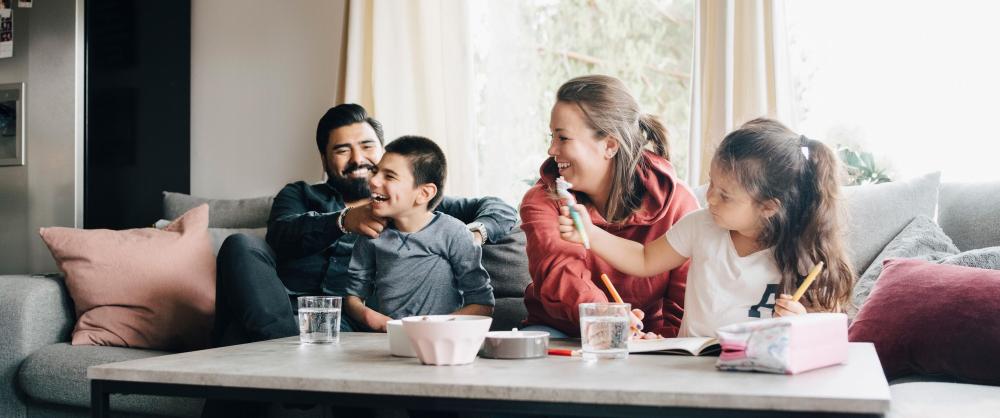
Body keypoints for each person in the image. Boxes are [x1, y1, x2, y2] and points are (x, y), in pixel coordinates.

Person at [211, 104, 517, 346]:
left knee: (238, 336)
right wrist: (342, 221)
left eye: (368, 146)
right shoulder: (300, 194)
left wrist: (475, 232)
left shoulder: (410, 201)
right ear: (325, 158)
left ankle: (280, 359)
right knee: (240, 245)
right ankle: (284, 351)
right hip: (283, 308)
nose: (358, 158)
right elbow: (281, 235)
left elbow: (501, 210)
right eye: (342, 150)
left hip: (349, 320)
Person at [558, 118, 855, 337]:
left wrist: (802, 323)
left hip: (757, 374)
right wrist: (591, 233)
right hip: (692, 366)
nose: (709, 197)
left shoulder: (800, 252)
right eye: (712, 183)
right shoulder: (701, 225)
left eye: (725, 195)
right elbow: (644, 259)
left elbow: (829, 336)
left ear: (769, 207)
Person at [519, 75, 700, 339]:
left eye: (563, 138)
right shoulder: (541, 200)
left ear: (610, 145)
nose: (551, 149)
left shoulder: (678, 203)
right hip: (563, 333)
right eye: (552, 137)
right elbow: (560, 274)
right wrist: (608, 318)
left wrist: (662, 340)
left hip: (646, 338)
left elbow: (686, 301)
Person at [344, 136, 494, 331]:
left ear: (424, 193)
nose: (373, 181)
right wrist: (369, 317)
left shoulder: (454, 233)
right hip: (389, 339)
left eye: (389, 176)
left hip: (441, 339)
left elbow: (483, 304)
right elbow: (353, 297)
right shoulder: (371, 234)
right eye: (376, 172)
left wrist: (435, 327)